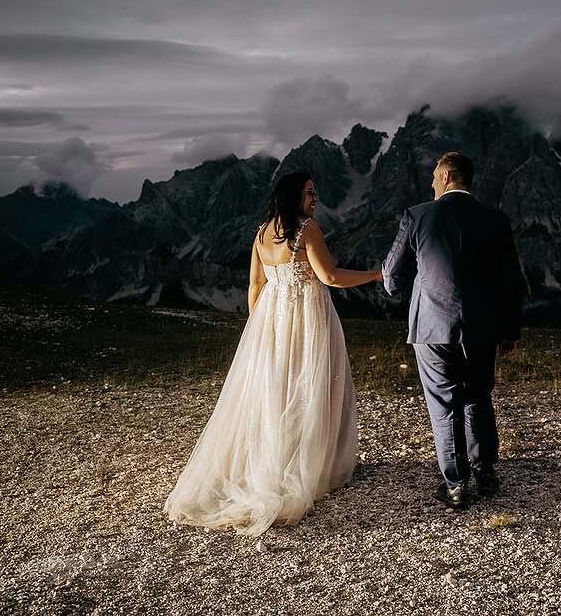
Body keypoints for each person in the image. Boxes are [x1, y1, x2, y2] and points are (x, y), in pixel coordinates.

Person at [164, 172, 381, 535]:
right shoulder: (307, 229)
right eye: (310, 192)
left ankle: (272, 462)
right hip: (309, 319)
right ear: (295, 195)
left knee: (276, 392)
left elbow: (255, 284)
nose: (316, 198)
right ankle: (310, 466)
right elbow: (328, 276)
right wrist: (374, 275)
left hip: (273, 320)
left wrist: (258, 329)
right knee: (311, 388)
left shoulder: (262, 232)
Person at [382, 152, 523, 510]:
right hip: (483, 327)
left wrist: (402, 287)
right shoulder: (496, 219)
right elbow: (511, 281)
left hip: (431, 326)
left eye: (433, 176)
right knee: (478, 396)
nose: (430, 182)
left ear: (446, 177)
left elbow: (391, 276)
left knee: (444, 404)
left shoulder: (417, 215)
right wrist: (510, 330)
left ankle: (456, 485)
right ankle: (486, 472)